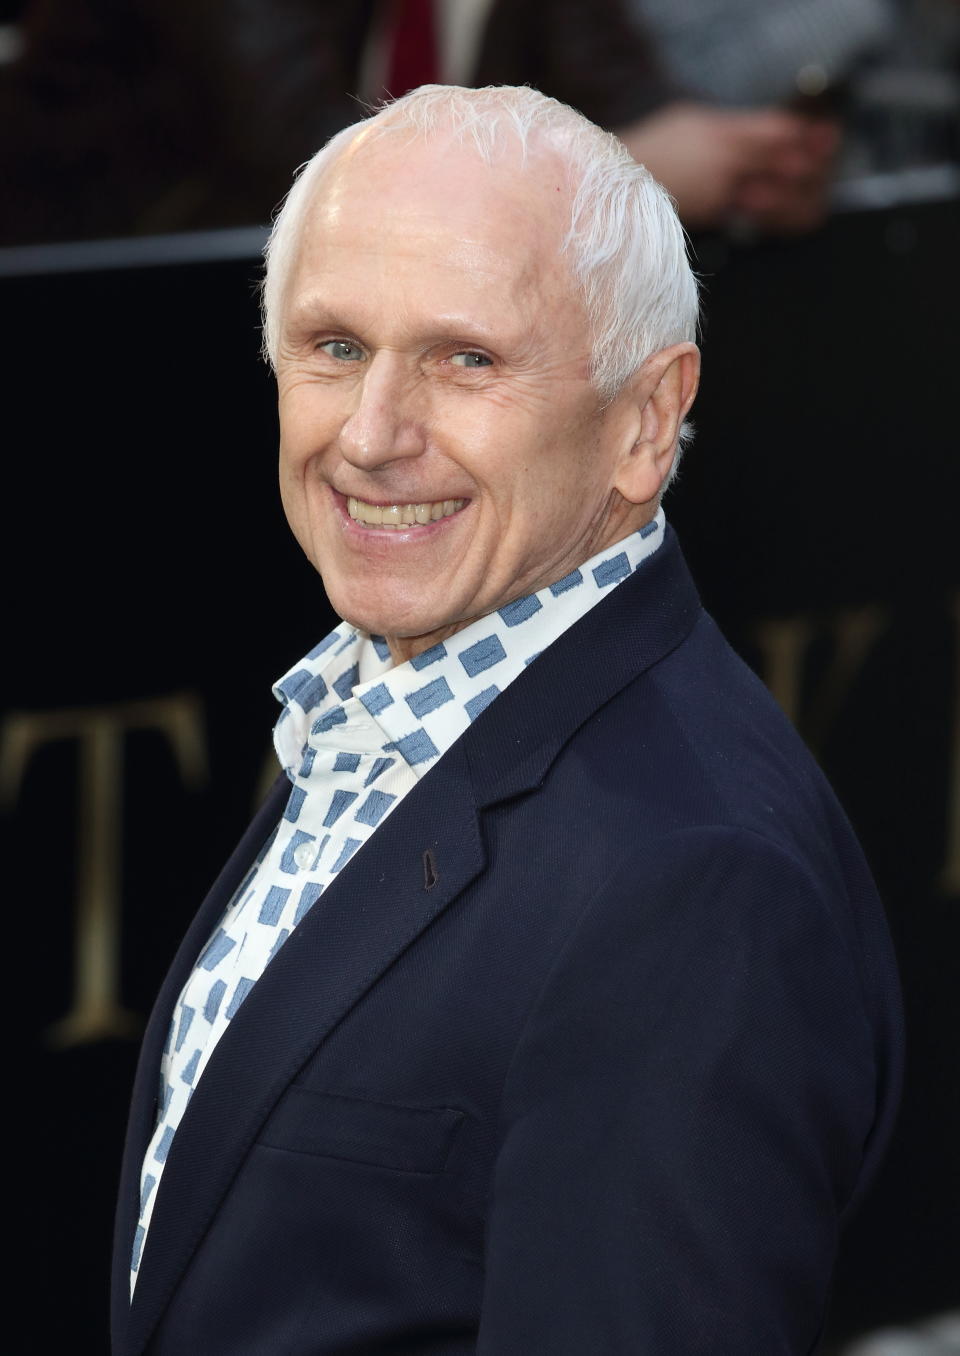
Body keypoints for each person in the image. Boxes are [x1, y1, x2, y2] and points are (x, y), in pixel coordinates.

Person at [112, 84, 903, 1355]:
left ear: (646, 422)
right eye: (334, 347)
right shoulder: (372, 707)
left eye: (466, 359)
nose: (372, 437)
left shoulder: (694, 891)